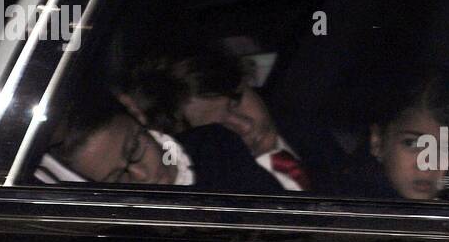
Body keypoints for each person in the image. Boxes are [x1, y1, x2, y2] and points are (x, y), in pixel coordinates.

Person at [118, 40, 345, 196]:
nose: (244, 125)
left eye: (235, 102)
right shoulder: (221, 190)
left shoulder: (315, 129)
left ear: (247, 81)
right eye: (220, 128)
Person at [33, 88, 269, 192]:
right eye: (117, 177)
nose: (142, 176)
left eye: (134, 150)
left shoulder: (216, 146)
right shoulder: (120, 241)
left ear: (135, 112)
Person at [342, 65, 449, 201]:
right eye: (412, 143)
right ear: (377, 141)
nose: (427, 164)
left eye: (445, 149)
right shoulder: (347, 208)